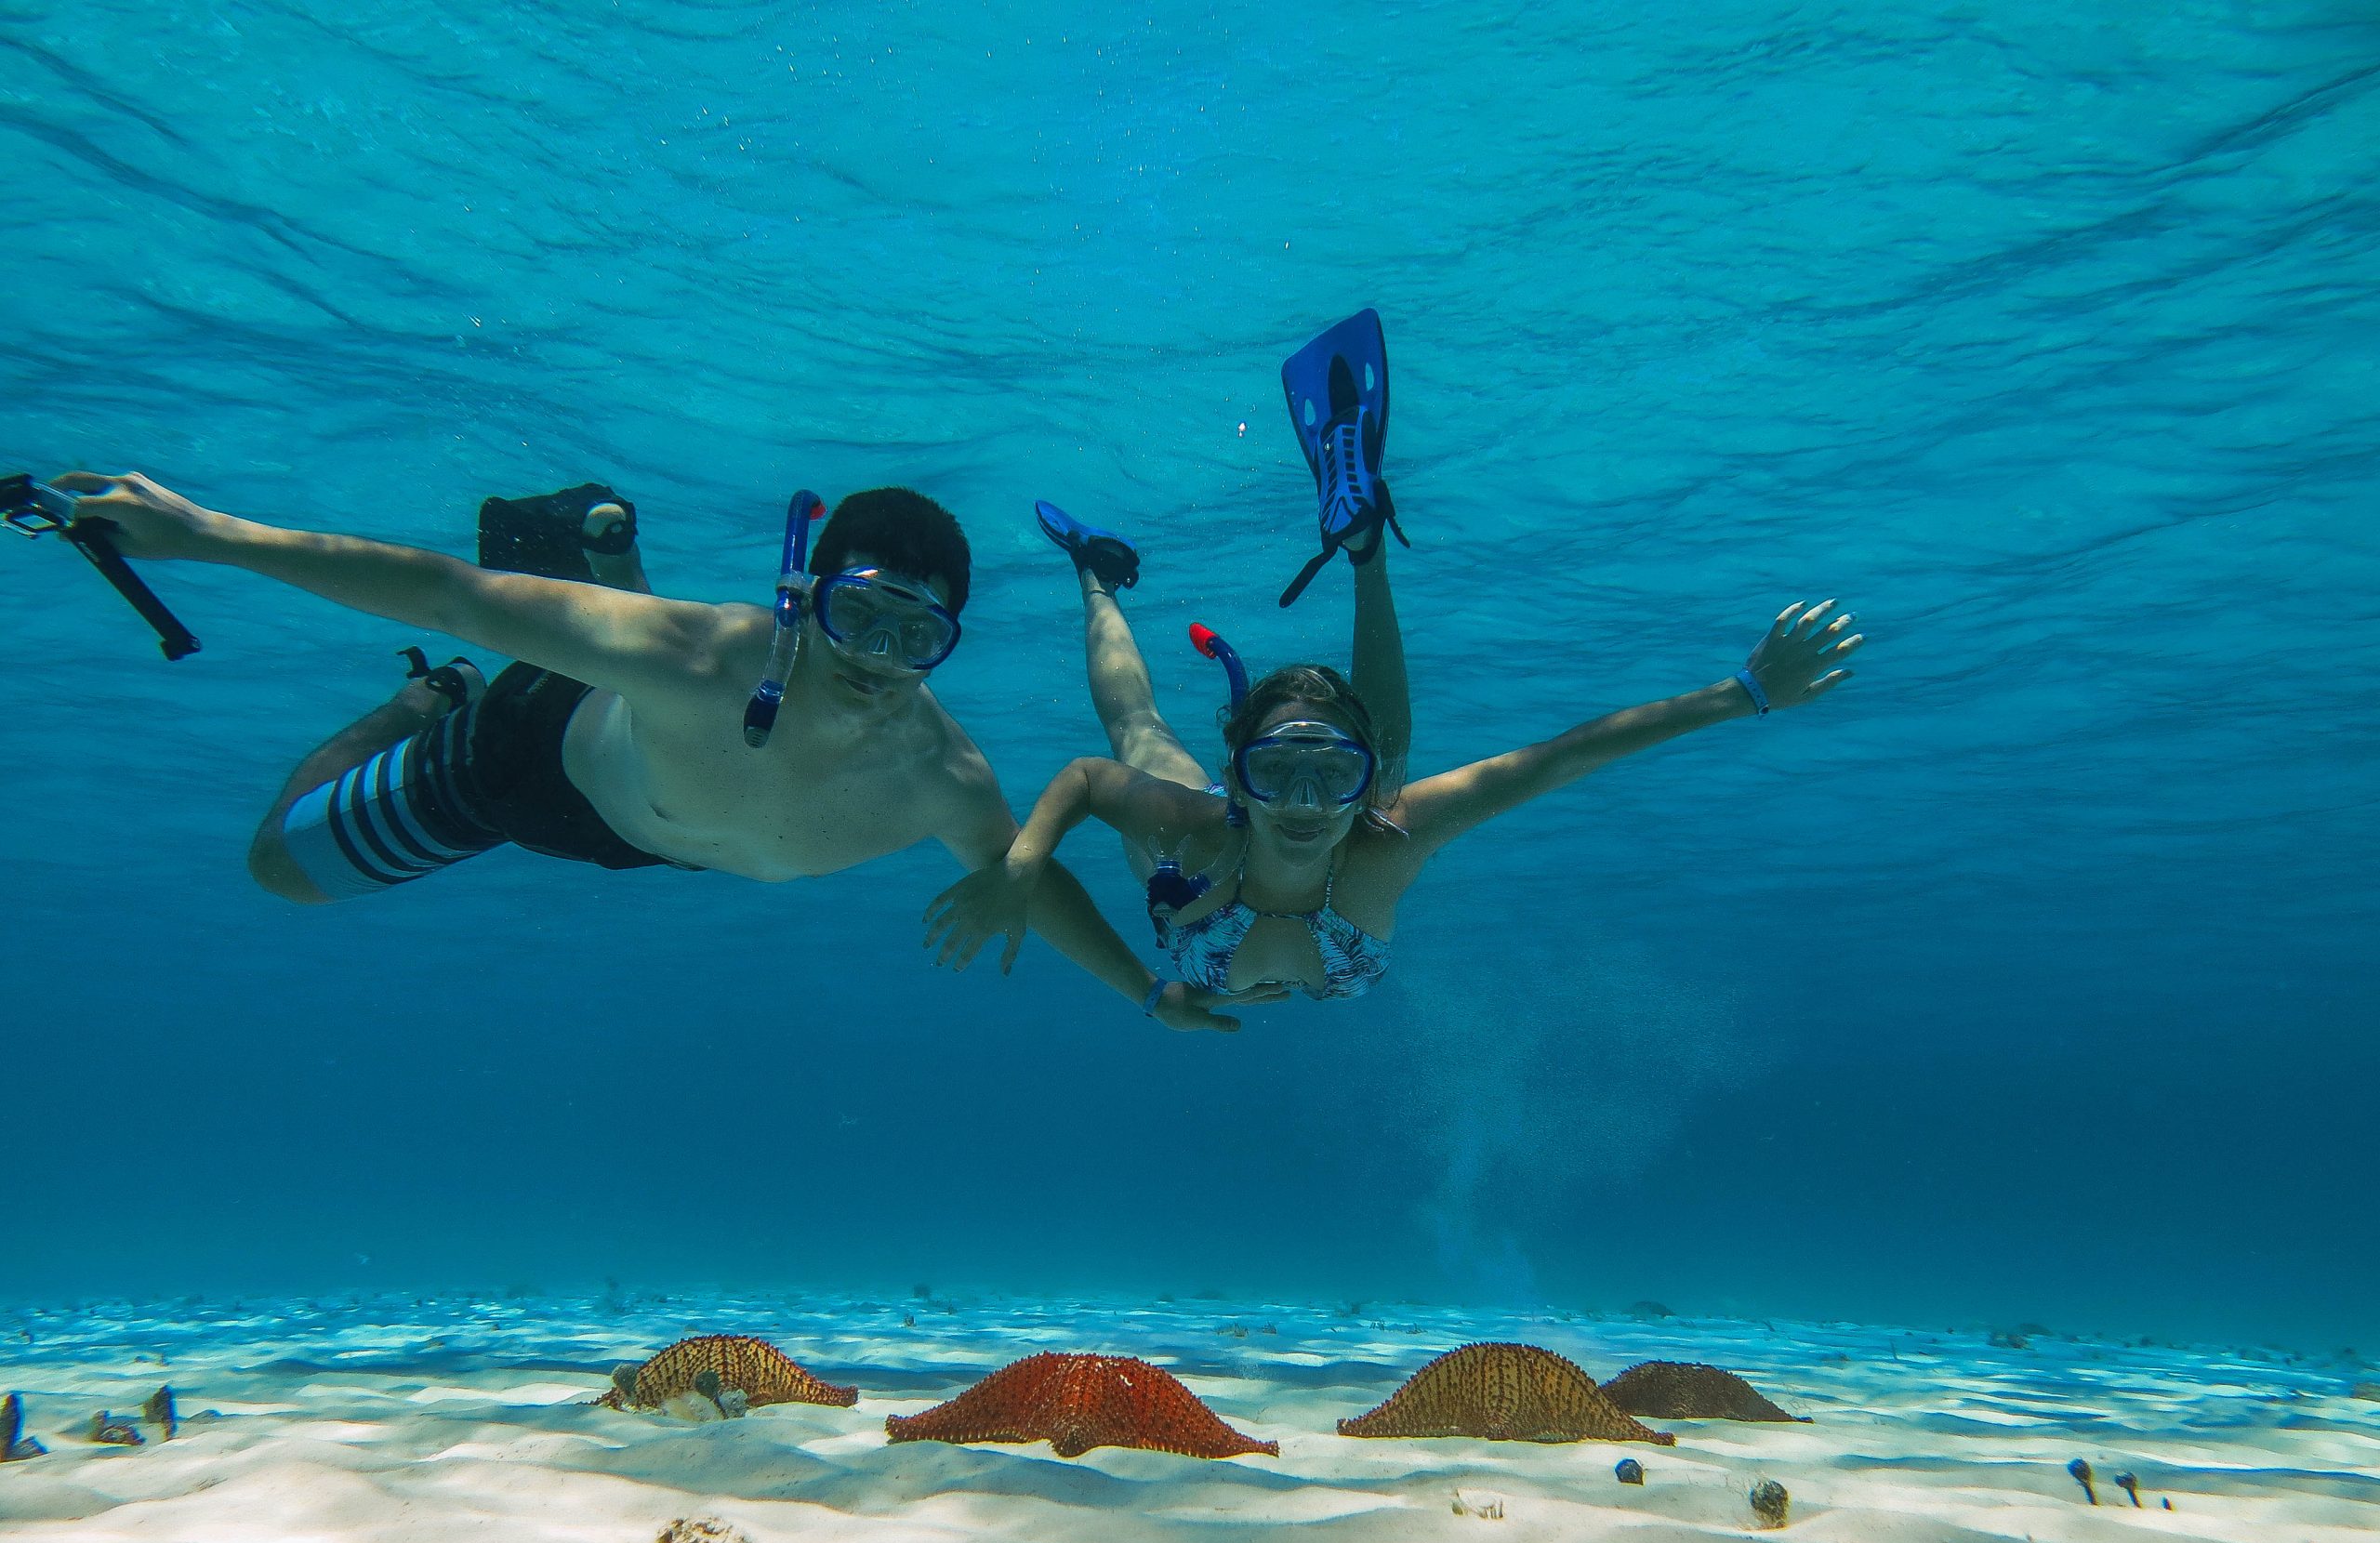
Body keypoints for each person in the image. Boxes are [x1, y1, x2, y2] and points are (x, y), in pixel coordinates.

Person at [44, 469, 1254, 1031]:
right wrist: (207, 535)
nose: (879, 658)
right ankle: (438, 703)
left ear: (948, 645)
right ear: (805, 599)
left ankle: (605, 564)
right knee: (276, 867)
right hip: (527, 767)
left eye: (916, 634)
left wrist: (1146, 989)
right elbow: (450, 594)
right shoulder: (706, 655)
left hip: (662, 833)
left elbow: (1024, 886)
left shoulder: (947, 776)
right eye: (859, 615)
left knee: (634, 705)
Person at [921, 312, 1862, 1005]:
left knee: (1381, 793)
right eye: (1277, 770)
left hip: (1247, 903)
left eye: (1323, 775)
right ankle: (1105, 579)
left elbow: (1565, 756)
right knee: (1147, 732)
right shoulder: (1213, 826)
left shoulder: (1364, 830)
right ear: (1238, 776)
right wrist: (1020, 866)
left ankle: (1357, 555)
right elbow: (1088, 777)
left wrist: (1749, 691)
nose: (1299, 800)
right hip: (1217, 870)